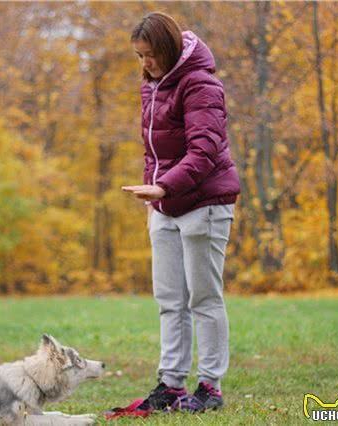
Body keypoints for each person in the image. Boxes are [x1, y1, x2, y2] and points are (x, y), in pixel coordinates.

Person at [119, 11, 240, 415]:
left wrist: (164, 186)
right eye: (140, 56)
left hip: (204, 205)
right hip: (165, 206)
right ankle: (171, 385)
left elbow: (204, 151)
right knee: (170, 299)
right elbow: (155, 152)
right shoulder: (151, 87)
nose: (145, 64)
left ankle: (209, 386)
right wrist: (154, 200)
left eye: (151, 55)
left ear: (169, 49)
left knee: (203, 299)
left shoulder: (201, 84)